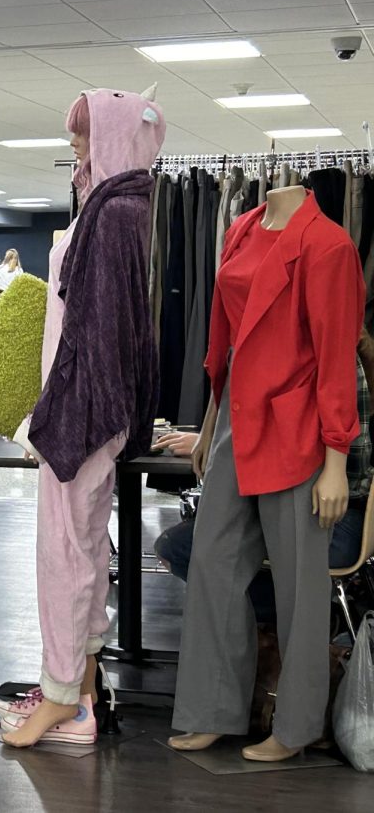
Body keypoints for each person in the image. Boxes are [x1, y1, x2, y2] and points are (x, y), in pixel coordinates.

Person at [169, 181, 365, 763]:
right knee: (212, 562)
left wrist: (335, 458)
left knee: (300, 585)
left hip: (297, 425)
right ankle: (212, 709)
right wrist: (208, 425)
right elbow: (223, 342)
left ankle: (296, 726)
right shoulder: (241, 230)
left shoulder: (328, 246)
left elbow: (336, 356)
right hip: (235, 418)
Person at [0, 87, 166, 749]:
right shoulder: (120, 206)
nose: (73, 143)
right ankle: (81, 690)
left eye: (85, 132)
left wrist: (69, 415)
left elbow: (102, 331)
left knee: (66, 553)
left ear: (117, 136)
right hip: (89, 408)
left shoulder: (117, 212)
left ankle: (63, 696)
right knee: (86, 548)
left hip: (83, 412)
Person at [153, 353, 371, 626]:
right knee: (197, 537)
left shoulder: (327, 363)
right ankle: (291, 625)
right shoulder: (337, 359)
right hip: (339, 517)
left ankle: (306, 618)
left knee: (182, 546)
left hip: (333, 522)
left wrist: (223, 448)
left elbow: (346, 466)